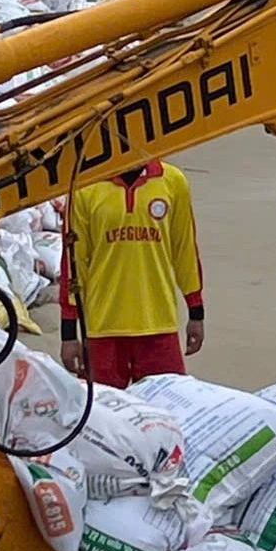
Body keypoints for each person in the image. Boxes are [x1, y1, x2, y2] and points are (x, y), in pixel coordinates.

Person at [59, 159, 204, 389]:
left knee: (165, 413)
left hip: (159, 325)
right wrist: (68, 334)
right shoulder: (84, 187)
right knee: (102, 417)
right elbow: (75, 265)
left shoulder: (172, 181)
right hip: (102, 330)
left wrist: (196, 312)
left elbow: (184, 251)